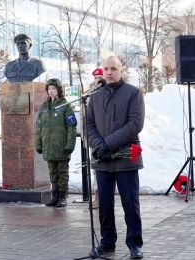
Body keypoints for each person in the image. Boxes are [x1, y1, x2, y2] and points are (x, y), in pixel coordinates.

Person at [87, 56, 145, 259]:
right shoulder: (95, 95)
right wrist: (98, 144)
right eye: (106, 68)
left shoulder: (133, 93)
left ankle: (134, 243)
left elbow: (135, 124)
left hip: (125, 158)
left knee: (130, 203)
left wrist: (108, 143)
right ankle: (107, 242)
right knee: (104, 204)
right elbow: (89, 124)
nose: (109, 72)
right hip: (103, 159)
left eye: (113, 68)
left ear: (122, 70)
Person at [35, 78, 77, 208]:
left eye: (53, 89)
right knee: (52, 173)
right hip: (49, 147)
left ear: (58, 90)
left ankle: (63, 197)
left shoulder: (65, 106)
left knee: (62, 173)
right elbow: (39, 127)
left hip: (62, 147)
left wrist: (70, 144)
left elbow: (71, 127)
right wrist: (39, 143)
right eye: (49, 89)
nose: (51, 91)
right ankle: (55, 197)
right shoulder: (43, 107)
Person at [89, 67, 104, 209]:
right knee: (95, 169)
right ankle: (97, 197)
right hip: (94, 140)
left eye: (100, 78)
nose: (98, 81)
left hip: (107, 140)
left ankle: (104, 197)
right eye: (96, 78)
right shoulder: (90, 94)